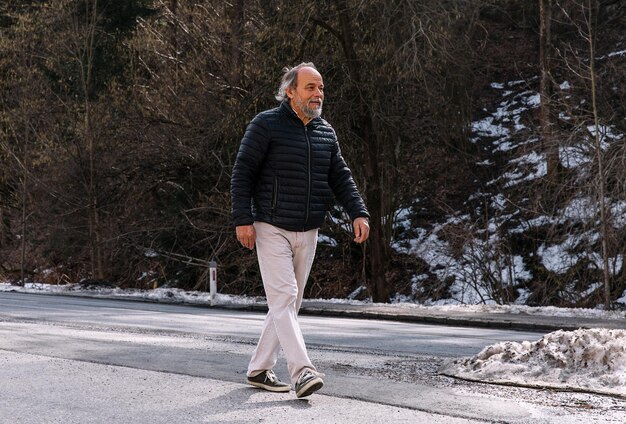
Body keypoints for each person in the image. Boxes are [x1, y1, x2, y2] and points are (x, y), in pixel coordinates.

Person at [230, 62, 370, 398]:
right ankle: (303, 372)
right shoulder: (266, 124)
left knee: (288, 304)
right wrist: (242, 219)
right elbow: (242, 173)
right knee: (284, 298)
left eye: (321, 88)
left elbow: (341, 177)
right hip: (270, 225)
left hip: (308, 229)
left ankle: (259, 369)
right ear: (290, 91)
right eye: (310, 87)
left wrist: (358, 212)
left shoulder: (325, 132)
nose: (318, 94)